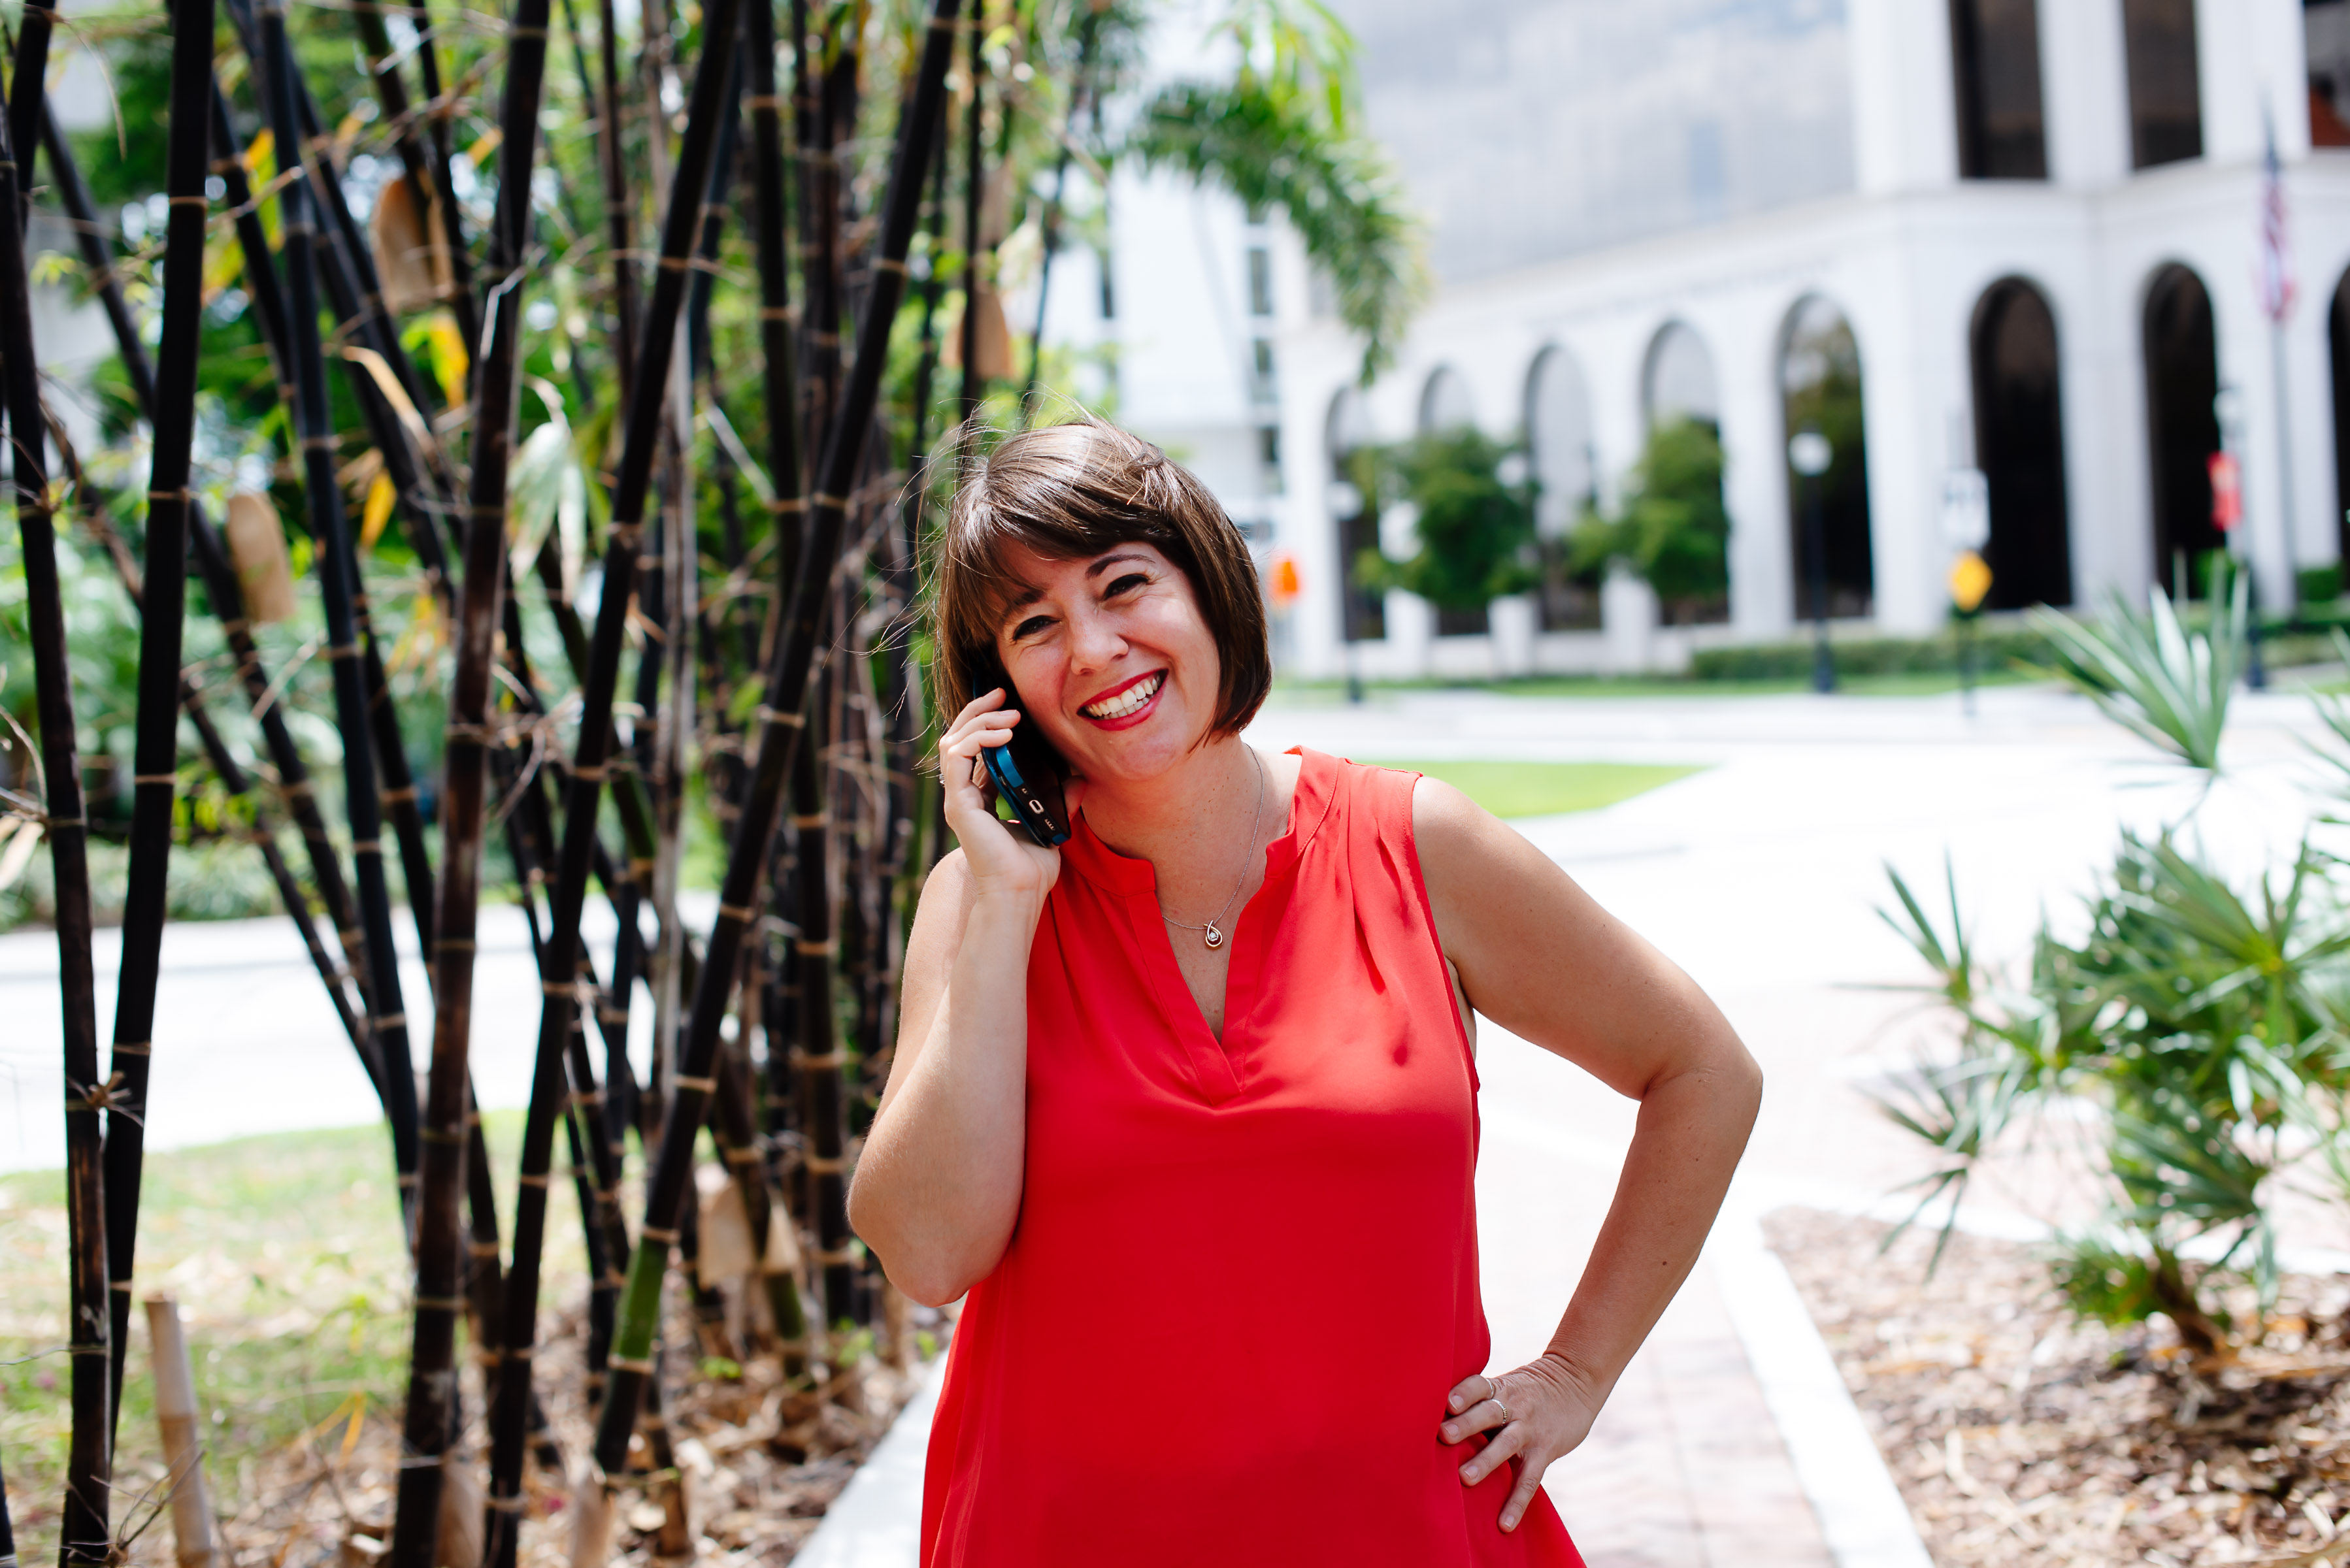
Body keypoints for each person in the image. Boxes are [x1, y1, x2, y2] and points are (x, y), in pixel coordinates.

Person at [849, 418, 1762, 1567]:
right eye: (1035, 626)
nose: (1090, 648)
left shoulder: (1419, 846)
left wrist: (1574, 1376)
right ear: (1000, 690)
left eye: (1124, 584)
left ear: (1208, 583)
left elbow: (1703, 1071)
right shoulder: (980, 904)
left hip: (1405, 1534)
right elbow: (928, 1255)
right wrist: (1009, 901)